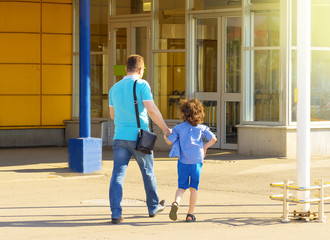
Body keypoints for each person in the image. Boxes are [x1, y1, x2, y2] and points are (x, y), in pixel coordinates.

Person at [108, 54, 171, 224]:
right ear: (141, 69)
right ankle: (152, 207)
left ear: (126, 68)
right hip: (139, 138)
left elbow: (112, 115)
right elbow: (151, 109)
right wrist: (165, 129)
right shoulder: (142, 84)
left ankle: (116, 212)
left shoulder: (114, 88)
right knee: (147, 172)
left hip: (119, 137)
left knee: (118, 174)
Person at [164, 98, 217, 222]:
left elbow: (168, 141)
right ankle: (190, 214)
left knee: (182, 187)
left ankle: (176, 203)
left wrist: (166, 133)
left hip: (183, 161)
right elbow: (214, 139)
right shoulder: (202, 128)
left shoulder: (179, 128)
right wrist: (204, 147)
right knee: (193, 188)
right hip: (197, 162)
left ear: (183, 113)